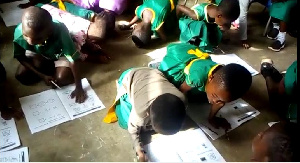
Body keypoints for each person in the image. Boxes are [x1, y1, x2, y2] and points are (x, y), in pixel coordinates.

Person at [158, 43, 252, 129]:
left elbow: (218, 102)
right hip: (178, 61)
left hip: (198, 69)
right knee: (176, 91)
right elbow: (180, 91)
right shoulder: (198, 77)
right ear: (211, 78)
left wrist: (211, 119)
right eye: (215, 96)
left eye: (222, 101)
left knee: (203, 97)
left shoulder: (218, 85)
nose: (215, 101)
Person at [103, 67, 187, 161]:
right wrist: (139, 152)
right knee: (124, 121)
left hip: (153, 72)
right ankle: (120, 85)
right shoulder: (141, 112)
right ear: (147, 114)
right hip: (130, 75)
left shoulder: (181, 99)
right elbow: (133, 130)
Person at [14, 6, 86, 103]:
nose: (30, 41)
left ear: (49, 33)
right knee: (22, 76)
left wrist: (79, 87)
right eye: (25, 35)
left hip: (59, 52)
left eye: (38, 39)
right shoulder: (19, 33)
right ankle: (49, 68)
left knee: (62, 79)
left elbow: (72, 59)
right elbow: (20, 57)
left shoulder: (60, 30)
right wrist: (42, 75)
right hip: (39, 53)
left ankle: (82, 49)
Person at [39, 4, 110, 63]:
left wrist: (96, 48)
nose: (94, 42)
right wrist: (95, 59)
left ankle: (90, 44)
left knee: (87, 40)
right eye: (93, 41)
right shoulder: (66, 35)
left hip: (47, 10)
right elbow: (75, 56)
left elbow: (88, 39)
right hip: (45, 12)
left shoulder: (82, 27)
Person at [18, 0, 114, 41]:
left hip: (60, 6)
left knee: (95, 29)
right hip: (51, 6)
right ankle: (100, 21)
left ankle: (100, 21)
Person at [176, 0, 240, 53]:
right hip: (189, 25)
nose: (228, 24)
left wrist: (226, 27)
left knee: (215, 34)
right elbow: (179, 7)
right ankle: (191, 41)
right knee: (201, 26)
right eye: (226, 23)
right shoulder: (196, 15)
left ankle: (204, 40)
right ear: (219, 16)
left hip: (205, 25)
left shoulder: (221, 13)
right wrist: (175, 23)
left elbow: (226, 25)